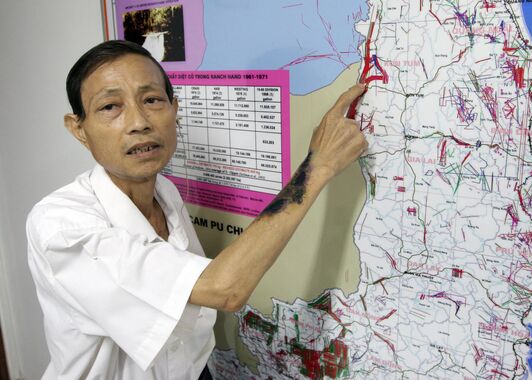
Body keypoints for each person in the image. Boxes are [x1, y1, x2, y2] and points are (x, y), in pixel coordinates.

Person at [26, 40, 367, 380]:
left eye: (151, 100)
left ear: (174, 109)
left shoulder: (165, 191)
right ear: (79, 129)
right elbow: (224, 289)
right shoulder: (61, 226)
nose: (139, 121)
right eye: (111, 107)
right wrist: (317, 166)